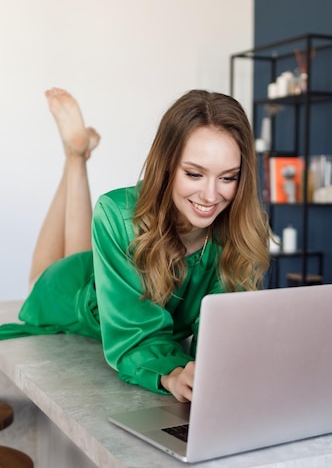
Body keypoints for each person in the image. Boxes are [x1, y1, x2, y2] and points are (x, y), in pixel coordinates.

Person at [0, 88, 270, 402]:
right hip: (72, 295)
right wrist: (171, 374)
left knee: (87, 249)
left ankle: (76, 155)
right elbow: (135, 336)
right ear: (166, 164)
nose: (211, 196)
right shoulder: (116, 215)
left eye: (228, 178)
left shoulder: (245, 228)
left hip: (105, 264)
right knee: (47, 272)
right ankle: (75, 158)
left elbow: (226, 330)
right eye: (194, 174)